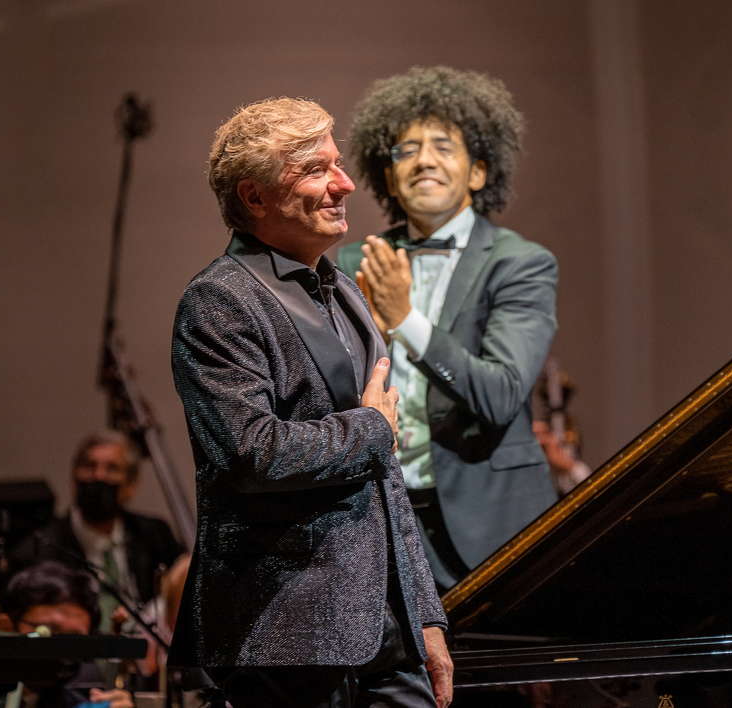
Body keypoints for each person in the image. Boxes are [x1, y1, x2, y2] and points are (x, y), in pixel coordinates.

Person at [169, 97, 451, 708]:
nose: (344, 183)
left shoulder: (345, 291)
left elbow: (384, 477)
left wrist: (424, 613)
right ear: (255, 196)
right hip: (286, 631)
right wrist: (371, 428)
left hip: (383, 628)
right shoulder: (219, 301)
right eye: (318, 170)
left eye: (338, 164)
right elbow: (252, 453)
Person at [338, 66, 559, 588]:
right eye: (405, 150)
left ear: (478, 172)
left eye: (443, 145)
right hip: (379, 519)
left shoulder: (520, 262)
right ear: (388, 176)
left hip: (489, 528)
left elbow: (501, 392)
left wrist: (404, 320)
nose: (424, 160)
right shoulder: (351, 262)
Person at [10, 431, 185, 633]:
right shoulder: (40, 548)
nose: (98, 476)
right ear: (73, 479)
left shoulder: (154, 534)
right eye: (89, 466)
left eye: (112, 468)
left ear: (131, 485)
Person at [0, 561, 133, 708]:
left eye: (75, 638)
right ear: (6, 626)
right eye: (48, 631)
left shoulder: (80, 702)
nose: (61, 650)